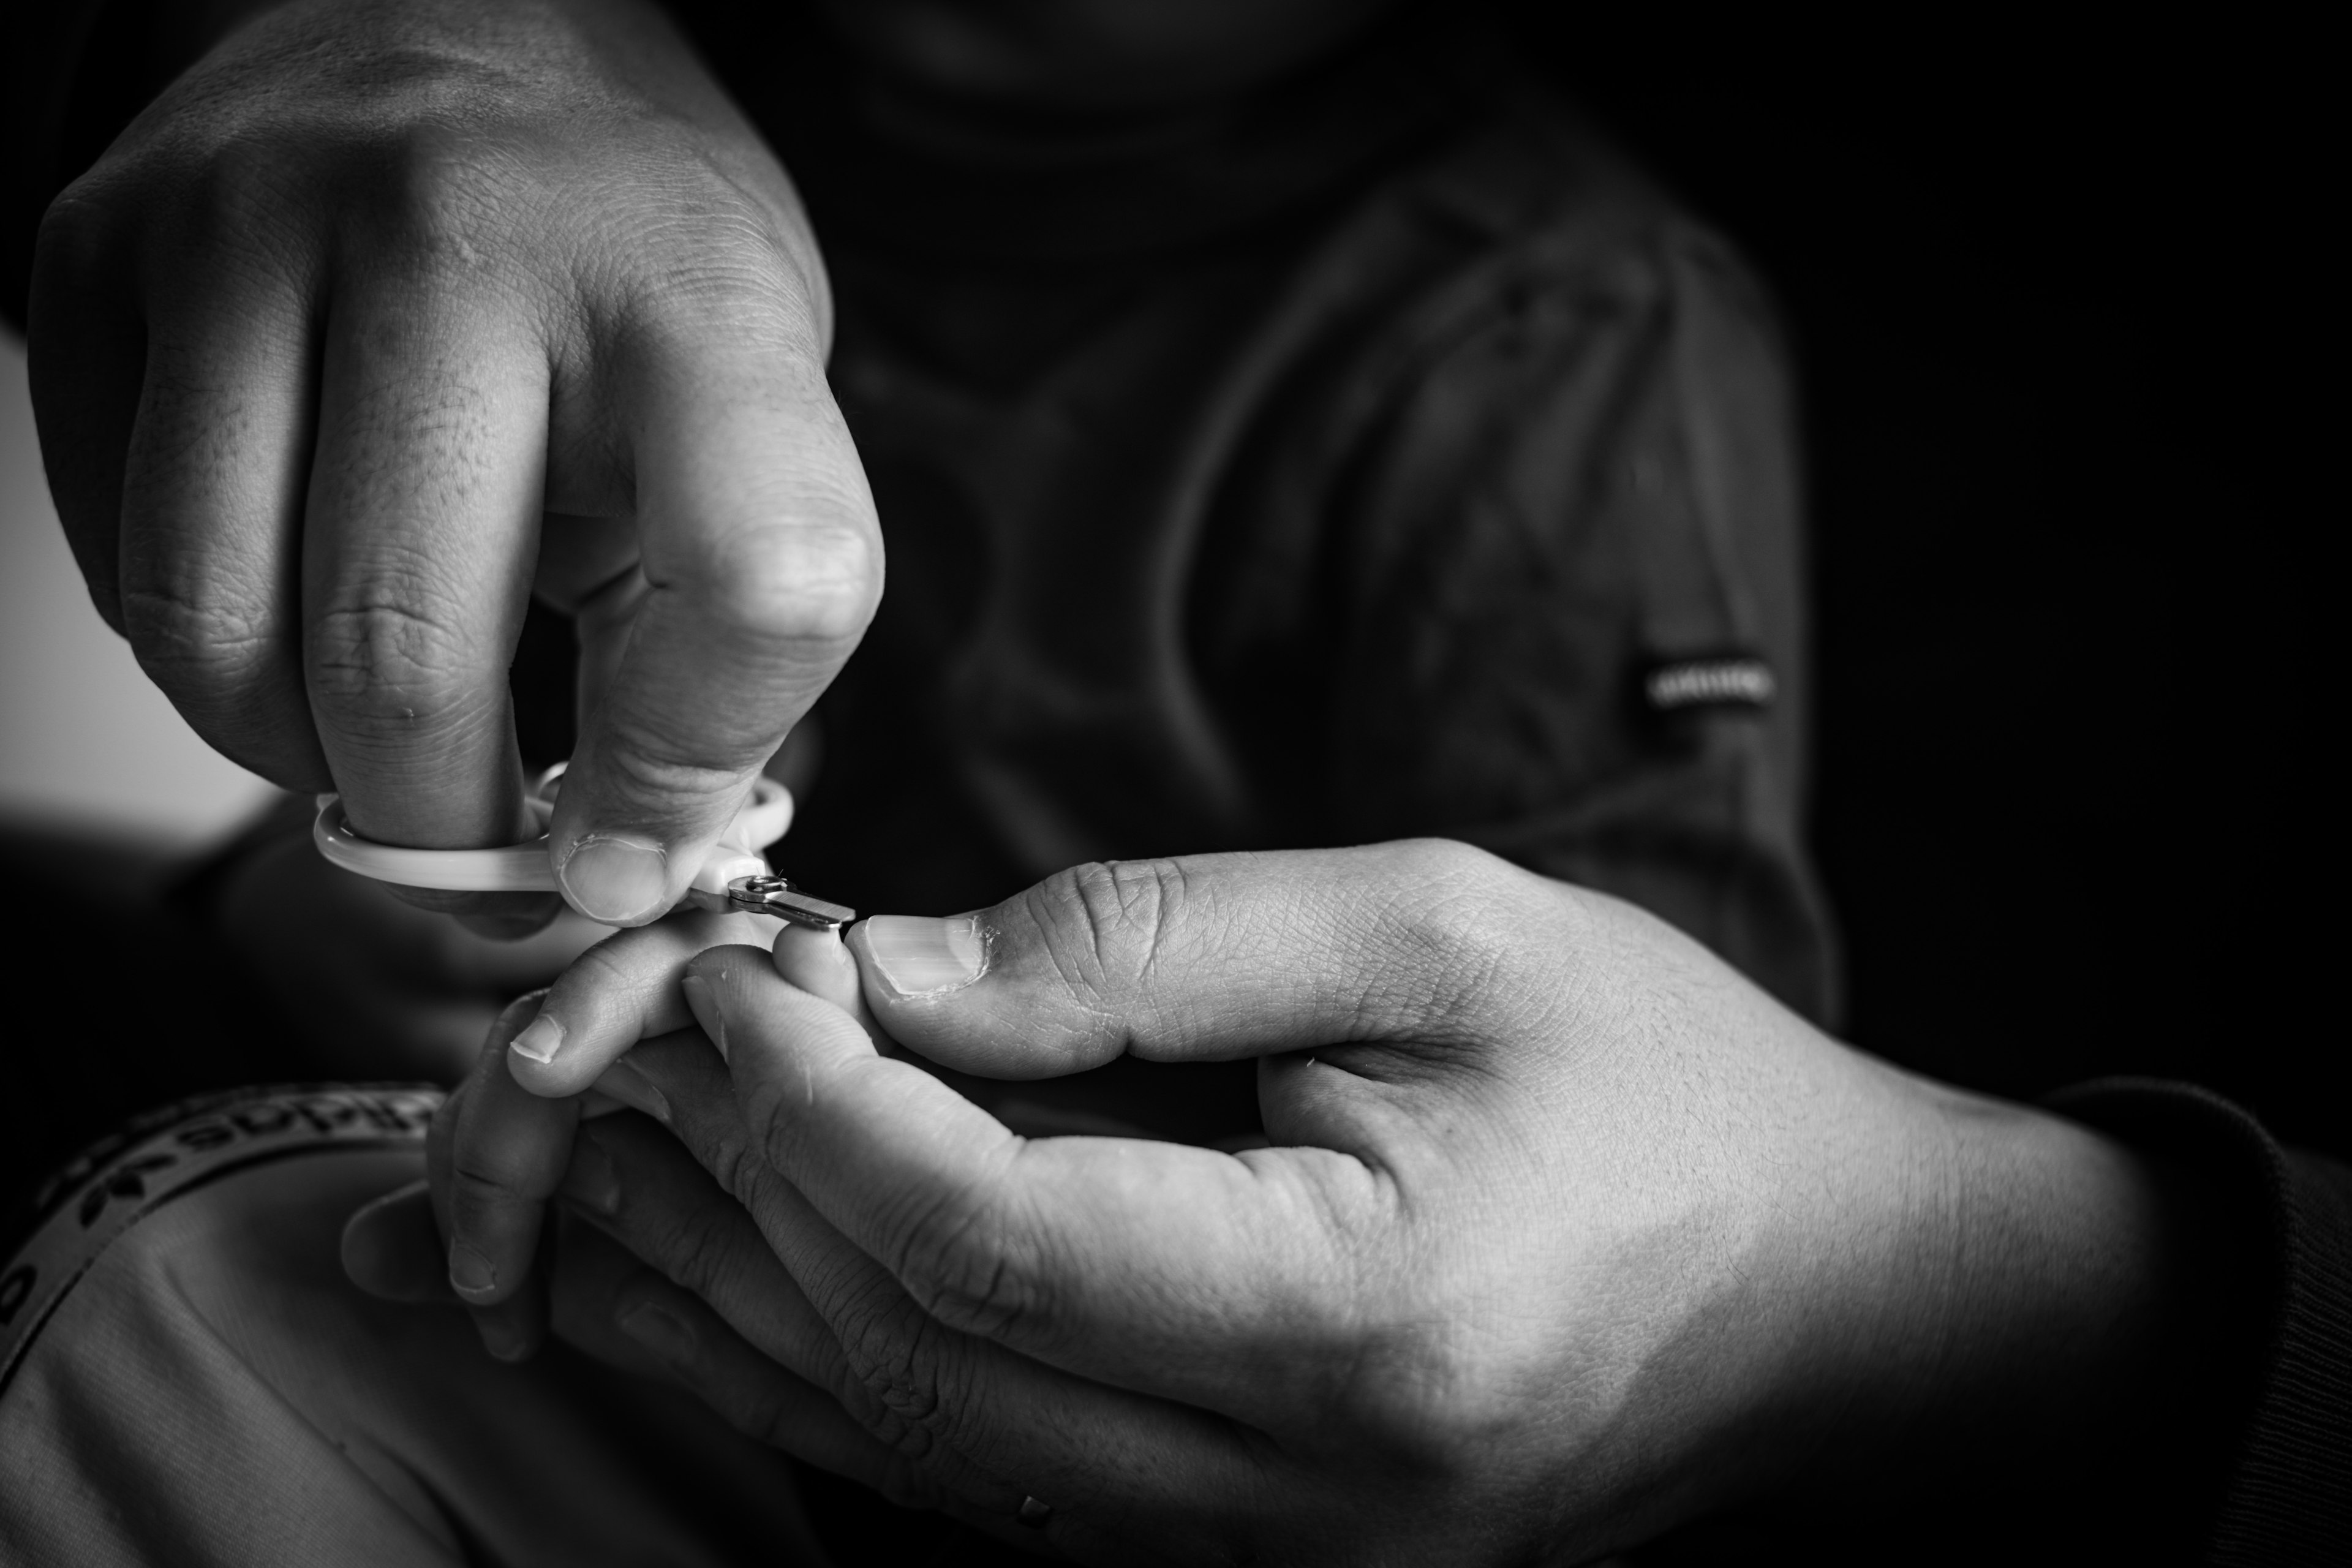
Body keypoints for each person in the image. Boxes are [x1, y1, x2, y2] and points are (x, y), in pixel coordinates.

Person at [0, 1, 2342, 1563]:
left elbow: (1609, 1174)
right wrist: (295, 917)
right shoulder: (592, 126)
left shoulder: (1544, 334)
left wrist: (845, 1065)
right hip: (557, 1250)